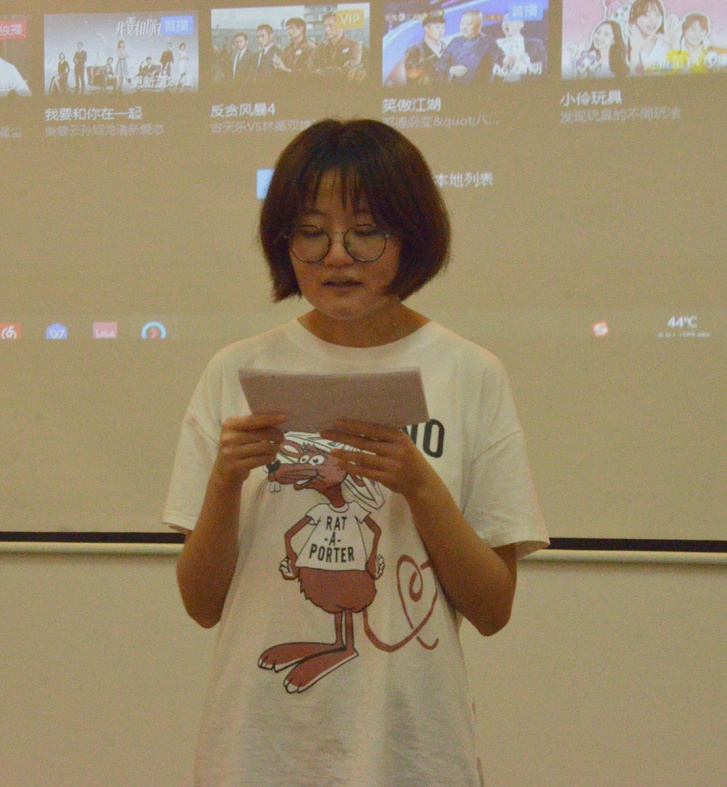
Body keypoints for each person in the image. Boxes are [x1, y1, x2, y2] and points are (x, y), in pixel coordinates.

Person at [166, 118, 547, 784]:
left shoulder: (468, 373)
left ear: (411, 236)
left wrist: (418, 484)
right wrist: (225, 480)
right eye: (311, 232)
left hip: (412, 747)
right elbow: (201, 605)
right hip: (259, 746)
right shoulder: (235, 371)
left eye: (366, 231)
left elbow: (493, 608)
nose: (336, 256)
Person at [437, 10, 503, 82]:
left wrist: (506, 60)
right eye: (462, 24)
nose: (464, 27)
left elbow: (500, 57)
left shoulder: (488, 42)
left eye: (468, 24)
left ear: (479, 25)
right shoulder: (455, 42)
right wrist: (451, 69)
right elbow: (440, 63)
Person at [626, 0, 678, 75]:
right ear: (634, 18)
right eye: (645, 15)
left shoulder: (666, 44)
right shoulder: (623, 45)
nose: (653, 21)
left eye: (657, 14)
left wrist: (674, 44)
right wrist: (635, 50)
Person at [400, 13, 446, 85]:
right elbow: (411, 78)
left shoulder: (443, 47)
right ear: (426, 28)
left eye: (443, 27)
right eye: (437, 27)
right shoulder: (415, 50)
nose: (441, 31)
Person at [316, 12, 364, 81]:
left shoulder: (354, 45)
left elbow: (349, 70)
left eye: (330, 25)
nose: (327, 29)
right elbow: (312, 69)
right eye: (325, 26)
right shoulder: (321, 48)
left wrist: (322, 71)